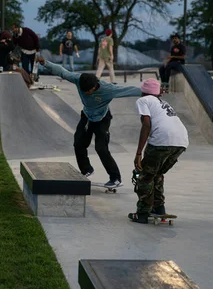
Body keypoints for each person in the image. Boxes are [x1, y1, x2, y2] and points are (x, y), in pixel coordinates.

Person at [37, 56, 142, 188]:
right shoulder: (78, 79)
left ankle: (115, 178)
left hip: (102, 119)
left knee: (101, 148)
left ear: (95, 86)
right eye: (83, 91)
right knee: (78, 143)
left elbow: (129, 90)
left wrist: (152, 92)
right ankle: (86, 170)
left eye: (88, 91)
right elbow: (62, 71)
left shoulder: (108, 89)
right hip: (87, 116)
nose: (86, 93)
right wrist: (45, 63)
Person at [128, 78, 188, 224]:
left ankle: (142, 214)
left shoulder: (143, 101)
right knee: (157, 173)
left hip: (162, 140)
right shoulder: (164, 103)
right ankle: (159, 208)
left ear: (143, 91)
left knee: (145, 176)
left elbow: (146, 124)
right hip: (181, 141)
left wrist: (138, 153)